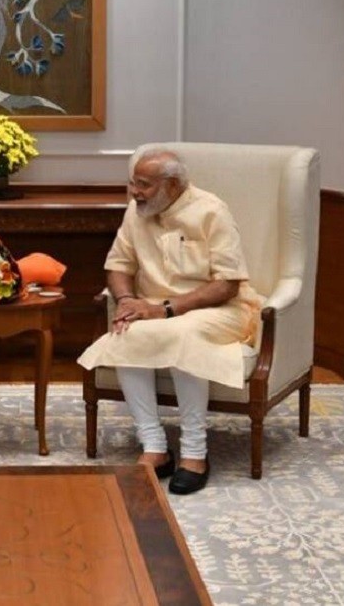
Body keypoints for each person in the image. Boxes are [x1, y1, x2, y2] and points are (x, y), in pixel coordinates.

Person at [77, 149, 260, 495]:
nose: (135, 192)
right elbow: (118, 266)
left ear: (172, 185)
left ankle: (194, 453)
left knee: (182, 334)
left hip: (219, 309)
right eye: (133, 183)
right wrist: (126, 301)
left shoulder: (212, 211)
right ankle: (155, 447)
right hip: (154, 309)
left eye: (144, 184)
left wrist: (167, 309)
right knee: (126, 332)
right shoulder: (136, 212)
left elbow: (227, 284)